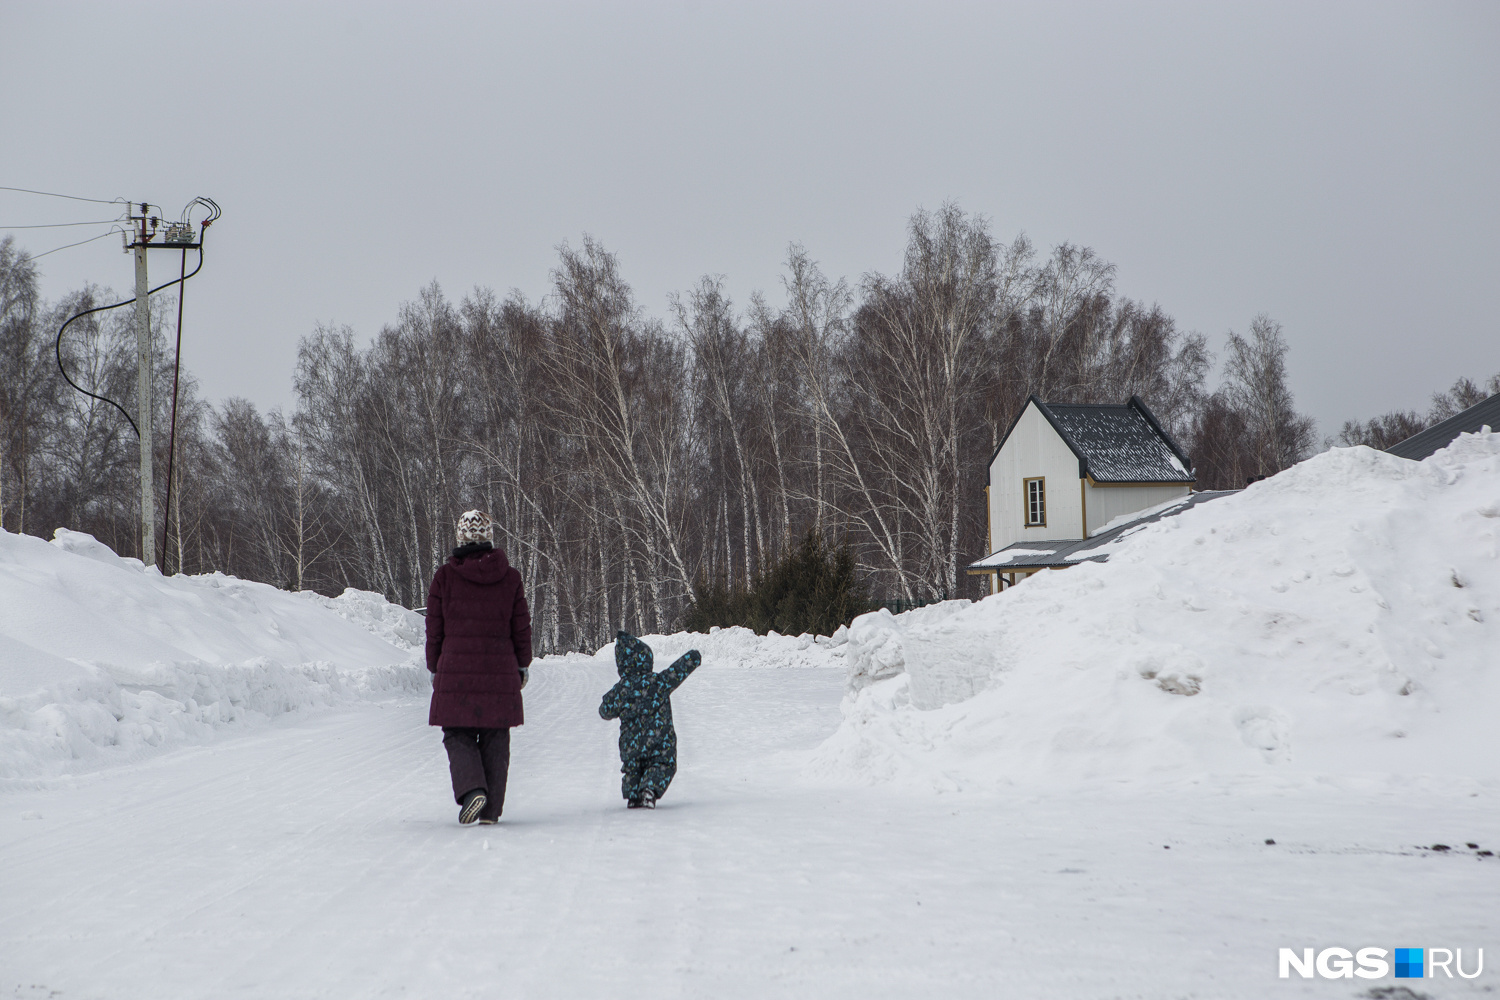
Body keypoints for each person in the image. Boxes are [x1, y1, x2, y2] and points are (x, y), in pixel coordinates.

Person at [425, 510, 531, 825]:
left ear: (460, 539)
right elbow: (521, 628)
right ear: (489, 538)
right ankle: (491, 810)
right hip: (500, 669)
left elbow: (434, 629)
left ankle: (472, 791)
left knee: (457, 732)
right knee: (496, 734)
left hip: (456, 668)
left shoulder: (444, 577)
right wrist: (522, 665)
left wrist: (434, 666)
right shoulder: (510, 577)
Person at [598, 631, 701, 809]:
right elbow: (676, 672)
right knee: (662, 763)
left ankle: (633, 796)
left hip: (631, 744)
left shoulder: (621, 689)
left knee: (633, 767)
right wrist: (693, 658)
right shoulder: (658, 682)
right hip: (659, 740)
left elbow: (605, 710)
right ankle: (650, 790)